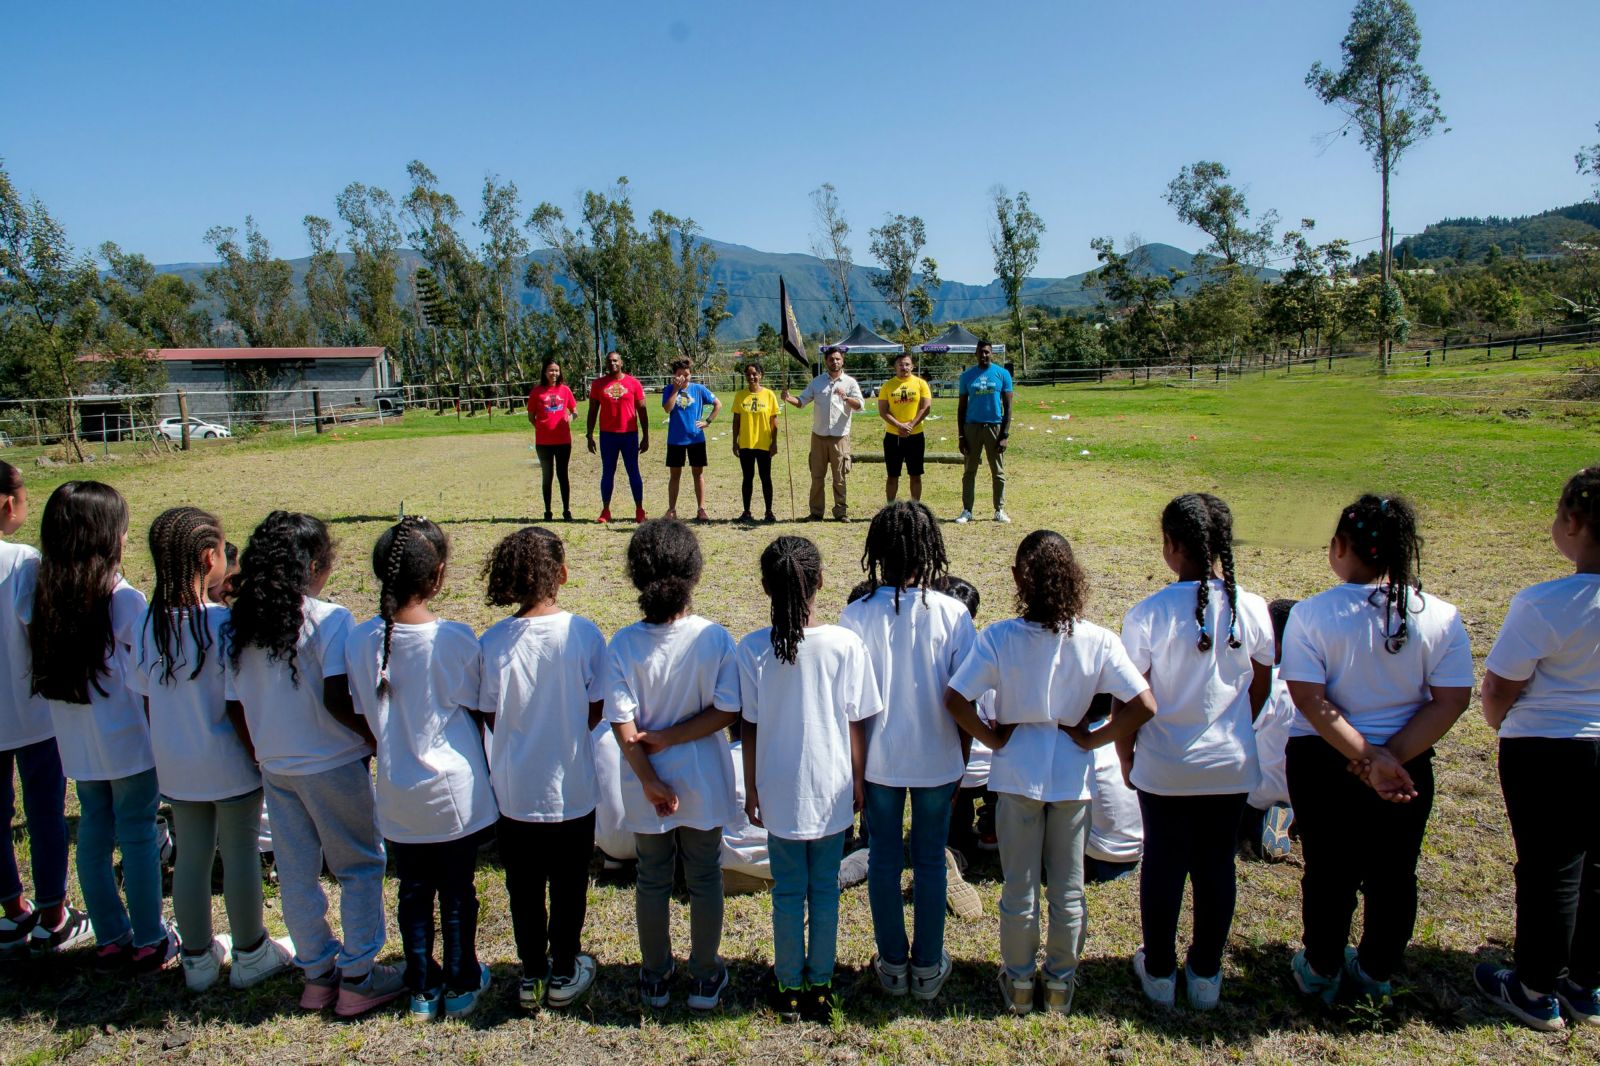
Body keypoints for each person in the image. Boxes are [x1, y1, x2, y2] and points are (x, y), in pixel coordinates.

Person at [946, 529, 1154, 1016]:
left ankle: (1019, 983)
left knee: (1019, 886)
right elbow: (1144, 704)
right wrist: (1094, 737)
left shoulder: (999, 637)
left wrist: (992, 738)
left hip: (1016, 773)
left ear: (1020, 578)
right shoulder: (1098, 639)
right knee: (1068, 885)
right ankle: (1060, 983)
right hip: (1071, 774)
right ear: (1072, 578)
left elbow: (955, 698)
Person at [1278, 494, 1473, 1006]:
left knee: (1328, 869)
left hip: (1324, 759)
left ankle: (1320, 968)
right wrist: (1391, 757)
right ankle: (1375, 971)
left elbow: (1309, 698)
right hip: (1408, 766)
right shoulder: (1442, 616)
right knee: (1393, 873)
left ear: (1340, 546)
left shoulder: (1313, 614)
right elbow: (1452, 699)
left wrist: (1366, 757)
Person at [224, 511, 404, 1017]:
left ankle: (316, 974)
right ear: (313, 566)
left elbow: (234, 704)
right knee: (360, 864)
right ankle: (360, 974)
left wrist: (260, 751)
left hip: (277, 767)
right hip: (332, 763)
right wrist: (374, 739)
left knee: (297, 871)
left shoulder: (239, 625)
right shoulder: (329, 619)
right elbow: (337, 697)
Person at [1118, 494, 1275, 1010]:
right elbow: (1261, 683)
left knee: (1162, 864)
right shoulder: (1252, 607)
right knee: (1216, 866)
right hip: (1230, 764)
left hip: (1164, 765)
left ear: (1171, 546)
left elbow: (1133, 701)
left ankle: (1160, 972)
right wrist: (1237, 730)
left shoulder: (1148, 614)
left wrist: (1126, 756)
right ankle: (1206, 973)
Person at [133, 507, 292, 992]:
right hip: (229, 763)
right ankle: (250, 951)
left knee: (193, 857)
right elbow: (242, 701)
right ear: (209, 557)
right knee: (241, 852)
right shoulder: (224, 624)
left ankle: (197, 959)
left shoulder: (147, 624)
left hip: (177, 767)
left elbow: (144, 699)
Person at [345, 518, 496, 1022]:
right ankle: (461, 979)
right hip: (452, 793)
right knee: (457, 893)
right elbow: (478, 706)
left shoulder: (359, 640)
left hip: (396, 793)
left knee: (412, 893)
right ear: (437, 577)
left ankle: (422, 984)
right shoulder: (452, 638)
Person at [22, 482, 171, 972]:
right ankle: (149, 938)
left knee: (92, 831)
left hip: (77, 743)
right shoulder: (123, 599)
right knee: (137, 831)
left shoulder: (42, 592)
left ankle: (110, 936)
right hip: (128, 741)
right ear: (106, 537)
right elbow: (149, 672)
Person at [1474, 466, 1600, 1032]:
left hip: (1548, 750)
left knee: (1550, 868)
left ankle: (1533, 989)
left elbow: (1500, 685)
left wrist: (1500, 723)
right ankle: (1585, 985)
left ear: (1573, 522)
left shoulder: (1546, 603)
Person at [740, 536, 880, 1022]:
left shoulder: (752, 648)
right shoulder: (845, 643)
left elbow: (749, 726)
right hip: (832, 785)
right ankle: (820, 982)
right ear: (820, 581)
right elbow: (856, 720)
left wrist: (751, 784)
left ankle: (787, 983)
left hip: (778, 787)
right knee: (824, 888)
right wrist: (859, 778)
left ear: (764, 587)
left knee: (786, 890)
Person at [604, 519, 740, 1011]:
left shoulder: (621, 644)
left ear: (637, 576)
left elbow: (621, 722)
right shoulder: (714, 638)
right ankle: (705, 975)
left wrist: (649, 779)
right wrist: (675, 737)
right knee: (705, 876)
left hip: (645, 787)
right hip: (703, 779)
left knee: (652, 878)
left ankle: (655, 976)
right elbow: (727, 709)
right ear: (693, 572)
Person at [839, 501, 972, 1001]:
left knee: (884, 859)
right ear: (929, 551)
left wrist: (855, 773)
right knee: (932, 859)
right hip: (938, 759)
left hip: (878, 760)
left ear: (879, 553)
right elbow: (966, 697)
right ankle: (927, 963)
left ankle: (893, 963)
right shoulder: (954, 614)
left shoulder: (854, 615)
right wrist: (962, 754)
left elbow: (850, 707)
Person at [478, 526, 606, 1011]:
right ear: (563, 574)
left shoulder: (493, 641)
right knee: (571, 881)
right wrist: (571, 726)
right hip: (571, 785)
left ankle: (531, 972)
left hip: (514, 791)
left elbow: (488, 712)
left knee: (523, 887)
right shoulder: (583, 634)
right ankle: (566, 967)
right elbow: (598, 706)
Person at [0, 463, 90, 959]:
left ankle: (13, 912)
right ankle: (53, 916)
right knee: (45, 812)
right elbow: (41, 630)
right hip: (31, 713)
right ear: (7, 502)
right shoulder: (21, 562)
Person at [1239, 599, 1299, 863]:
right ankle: (1289, 813)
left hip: (1257, 790)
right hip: (1305, 789)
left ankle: (1259, 819)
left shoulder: (1270, 685)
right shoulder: (1323, 687)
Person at [782, 348, 864, 521]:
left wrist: (846, 398)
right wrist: (788, 398)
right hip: (818, 437)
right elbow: (802, 401)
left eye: (837, 359)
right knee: (817, 477)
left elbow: (859, 406)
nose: (834, 362)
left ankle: (841, 512)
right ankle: (816, 512)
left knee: (839, 477)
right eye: (831, 359)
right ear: (825, 362)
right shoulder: (817, 382)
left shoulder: (850, 383)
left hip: (840, 437)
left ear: (843, 361)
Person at [585, 350, 649, 524]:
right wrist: (589, 435)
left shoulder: (633, 383)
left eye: (615, 360)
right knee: (608, 472)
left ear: (621, 363)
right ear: (606, 364)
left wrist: (646, 435)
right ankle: (606, 510)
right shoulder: (598, 385)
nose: (612, 363)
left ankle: (639, 510)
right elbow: (592, 411)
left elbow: (642, 411)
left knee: (633, 472)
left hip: (629, 434)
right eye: (609, 361)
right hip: (607, 435)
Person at [955, 340, 1014, 525]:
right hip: (971, 427)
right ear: (976, 353)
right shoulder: (967, 376)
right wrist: (961, 436)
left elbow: (1008, 407)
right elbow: (961, 407)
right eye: (981, 352)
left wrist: (1004, 435)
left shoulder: (1002, 374)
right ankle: (967, 510)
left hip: (994, 427)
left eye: (987, 352)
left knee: (997, 471)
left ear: (992, 353)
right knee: (969, 471)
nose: (984, 355)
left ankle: (999, 509)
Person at [661, 357, 720, 521]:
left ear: (690, 374)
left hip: (696, 439)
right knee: (675, 475)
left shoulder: (699, 389)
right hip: (675, 440)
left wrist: (707, 421)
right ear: (674, 375)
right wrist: (675, 389)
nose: (683, 378)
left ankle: (701, 509)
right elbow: (668, 409)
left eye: (686, 374)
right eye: (680, 374)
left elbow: (718, 404)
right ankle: (672, 510)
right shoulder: (668, 389)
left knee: (698, 474)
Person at [527, 358, 578, 521]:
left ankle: (566, 510)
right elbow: (531, 416)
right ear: (544, 372)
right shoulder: (537, 392)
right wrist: (542, 427)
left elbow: (574, 411)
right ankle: (547, 511)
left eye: (556, 370)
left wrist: (570, 418)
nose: (554, 373)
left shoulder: (565, 390)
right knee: (547, 475)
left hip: (563, 441)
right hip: (543, 443)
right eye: (550, 370)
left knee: (563, 475)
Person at [878, 353, 932, 503]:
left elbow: (926, 408)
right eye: (900, 364)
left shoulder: (921, 384)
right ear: (895, 367)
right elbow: (883, 410)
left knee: (915, 475)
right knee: (892, 475)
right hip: (893, 436)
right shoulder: (887, 385)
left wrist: (911, 425)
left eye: (907, 364)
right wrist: (899, 425)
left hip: (915, 436)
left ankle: (915, 507)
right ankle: (890, 507)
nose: (904, 367)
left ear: (912, 366)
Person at [731, 361, 780, 523]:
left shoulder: (769, 395)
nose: (751, 377)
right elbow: (736, 420)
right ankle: (746, 512)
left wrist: (774, 443)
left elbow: (774, 421)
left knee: (766, 478)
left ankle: (769, 512)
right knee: (747, 478)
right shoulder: (740, 395)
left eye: (755, 374)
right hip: (746, 443)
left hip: (764, 444)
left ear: (761, 375)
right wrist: (734, 442)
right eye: (748, 374)